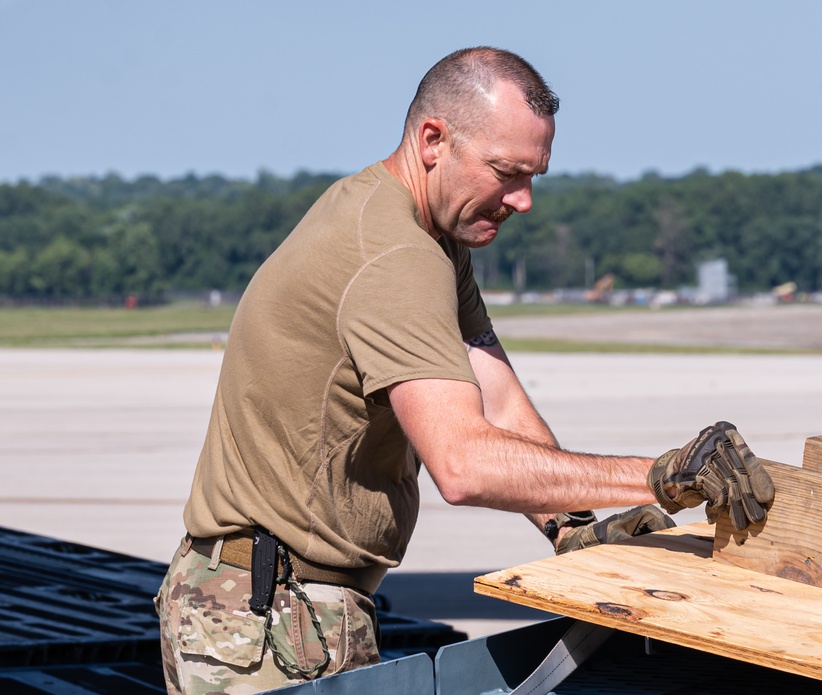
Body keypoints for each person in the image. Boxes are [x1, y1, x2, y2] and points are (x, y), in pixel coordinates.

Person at [155, 46, 774, 694]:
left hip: (256, 600)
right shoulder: (395, 258)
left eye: (534, 176)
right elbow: (463, 463)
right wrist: (659, 477)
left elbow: (496, 396)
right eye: (506, 172)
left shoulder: (426, 236)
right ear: (432, 141)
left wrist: (574, 524)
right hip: (269, 621)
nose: (525, 200)